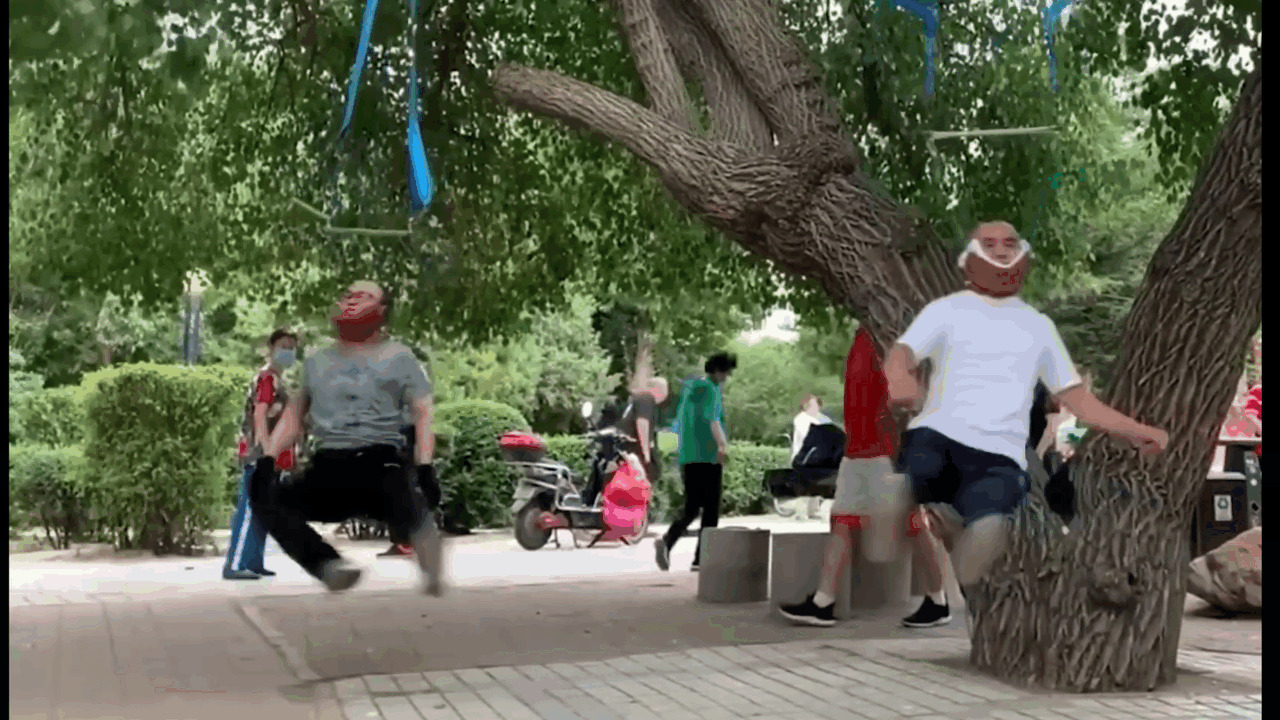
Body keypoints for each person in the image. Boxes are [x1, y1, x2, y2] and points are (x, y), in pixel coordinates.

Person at [871, 221, 1168, 594]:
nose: (1000, 250)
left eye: (1009, 243)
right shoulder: (946, 310)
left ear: (1022, 255)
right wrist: (898, 376)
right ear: (970, 259)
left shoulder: (1038, 326)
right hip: (940, 435)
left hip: (999, 455)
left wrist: (1138, 431)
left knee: (991, 517)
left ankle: (969, 561)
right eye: (989, 243)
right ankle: (893, 513)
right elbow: (902, 352)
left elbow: (1079, 400)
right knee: (914, 478)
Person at [249, 280, 445, 594]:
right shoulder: (316, 361)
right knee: (265, 496)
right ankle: (328, 565)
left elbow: (423, 413)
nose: (353, 301)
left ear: (381, 311)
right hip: (330, 467)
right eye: (349, 296)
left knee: (410, 503)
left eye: (364, 297)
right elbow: (295, 412)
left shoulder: (402, 359)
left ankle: (428, 553)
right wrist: (269, 457)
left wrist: (425, 466)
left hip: (382, 464)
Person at [777, 329, 902, 626]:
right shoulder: (864, 334)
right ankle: (823, 601)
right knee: (842, 519)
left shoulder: (890, 330)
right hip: (857, 449)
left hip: (883, 449)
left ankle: (942, 597)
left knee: (915, 523)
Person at [224, 328, 300, 581]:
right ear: (270, 349)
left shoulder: (279, 380)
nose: (288, 352)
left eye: (292, 347)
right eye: (283, 346)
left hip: (273, 455)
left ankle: (253, 561)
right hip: (261, 454)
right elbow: (259, 413)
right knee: (250, 507)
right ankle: (235, 564)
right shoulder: (267, 379)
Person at [655, 352, 736, 572]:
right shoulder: (711, 389)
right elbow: (713, 419)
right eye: (727, 372)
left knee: (691, 508)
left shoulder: (691, 390)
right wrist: (721, 445)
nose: (728, 376)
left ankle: (668, 541)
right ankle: (701, 559)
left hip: (688, 456)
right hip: (707, 456)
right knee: (711, 510)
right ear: (720, 371)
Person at [585, 377, 668, 507]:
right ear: (658, 389)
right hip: (632, 446)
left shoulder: (635, 399)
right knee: (651, 471)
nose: (665, 395)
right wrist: (646, 452)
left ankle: (596, 500)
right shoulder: (647, 398)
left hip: (620, 444)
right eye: (665, 391)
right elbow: (642, 423)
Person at [790, 395, 835, 520]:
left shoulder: (815, 420)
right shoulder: (801, 419)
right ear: (807, 406)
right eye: (815, 405)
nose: (818, 408)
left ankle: (812, 511)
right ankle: (801, 512)